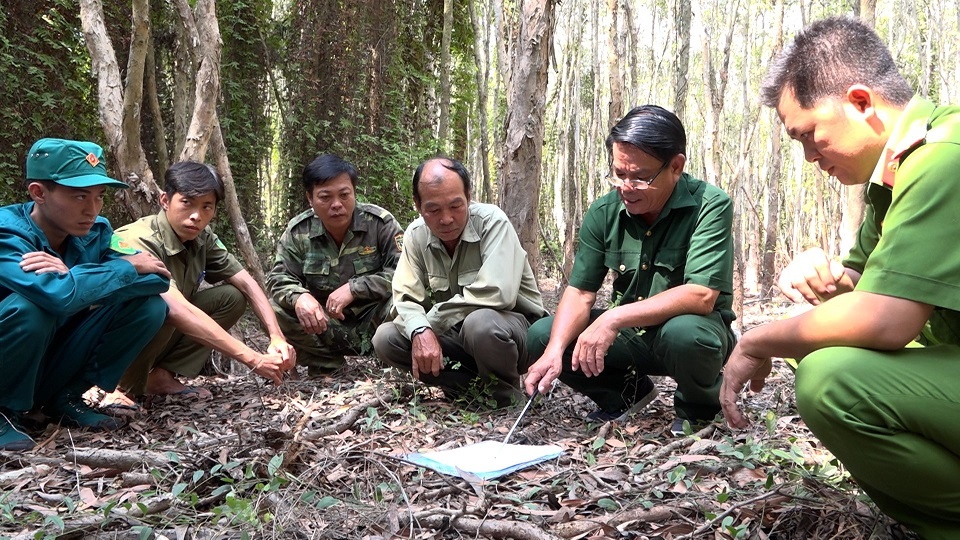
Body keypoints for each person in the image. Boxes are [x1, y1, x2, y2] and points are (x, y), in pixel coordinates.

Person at [719, 16, 960, 539]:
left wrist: (758, 340)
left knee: (832, 380)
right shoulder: (895, 175)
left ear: (860, 101)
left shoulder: (944, 157)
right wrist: (829, 277)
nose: (808, 157)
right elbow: (866, 286)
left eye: (809, 135)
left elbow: (888, 320)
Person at [524, 105, 737, 435]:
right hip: (632, 337)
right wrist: (553, 353)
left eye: (639, 177)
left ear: (676, 167)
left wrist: (612, 318)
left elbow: (702, 295)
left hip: (692, 335)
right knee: (543, 336)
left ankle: (699, 408)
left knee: (686, 335)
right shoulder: (604, 212)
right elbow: (580, 292)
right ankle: (624, 395)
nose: (625, 186)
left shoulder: (709, 205)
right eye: (618, 174)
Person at [0, 138, 171, 451]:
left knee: (149, 307)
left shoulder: (97, 232)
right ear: (38, 193)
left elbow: (156, 280)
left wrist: (73, 276)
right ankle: (3, 412)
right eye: (79, 196)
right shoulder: (7, 233)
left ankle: (64, 397)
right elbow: (55, 298)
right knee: (31, 309)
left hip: (50, 359)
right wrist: (111, 274)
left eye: (99, 197)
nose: (92, 209)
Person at [102, 161, 295, 406]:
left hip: (156, 333)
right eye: (187, 203)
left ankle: (160, 377)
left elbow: (246, 282)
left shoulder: (201, 238)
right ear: (164, 200)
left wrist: (276, 336)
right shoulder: (138, 239)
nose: (197, 215)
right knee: (157, 306)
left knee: (230, 297)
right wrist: (252, 359)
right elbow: (176, 308)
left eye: (207, 207)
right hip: (109, 347)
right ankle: (120, 388)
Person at [372, 157, 547, 408]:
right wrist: (420, 330)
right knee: (386, 338)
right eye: (433, 210)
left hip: (517, 335)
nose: (446, 219)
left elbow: (498, 293)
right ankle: (466, 390)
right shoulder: (416, 235)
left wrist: (432, 321)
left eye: (456, 206)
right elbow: (404, 298)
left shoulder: (492, 222)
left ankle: (505, 398)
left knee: (481, 323)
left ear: (468, 196)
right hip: (461, 335)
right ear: (418, 206)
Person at [266, 154, 403, 376]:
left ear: (354, 193)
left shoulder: (380, 224)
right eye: (325, 197)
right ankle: (328, 365)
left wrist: (355, 287)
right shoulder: (299, 231)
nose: (337, 204)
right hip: (324, 325)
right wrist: (299, 296)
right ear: (310, 199)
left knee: (403, 302)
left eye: (344, 195)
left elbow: (403, 273)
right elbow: (278, 278)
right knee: (274, 310)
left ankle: (393, 363)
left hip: (375, 320)